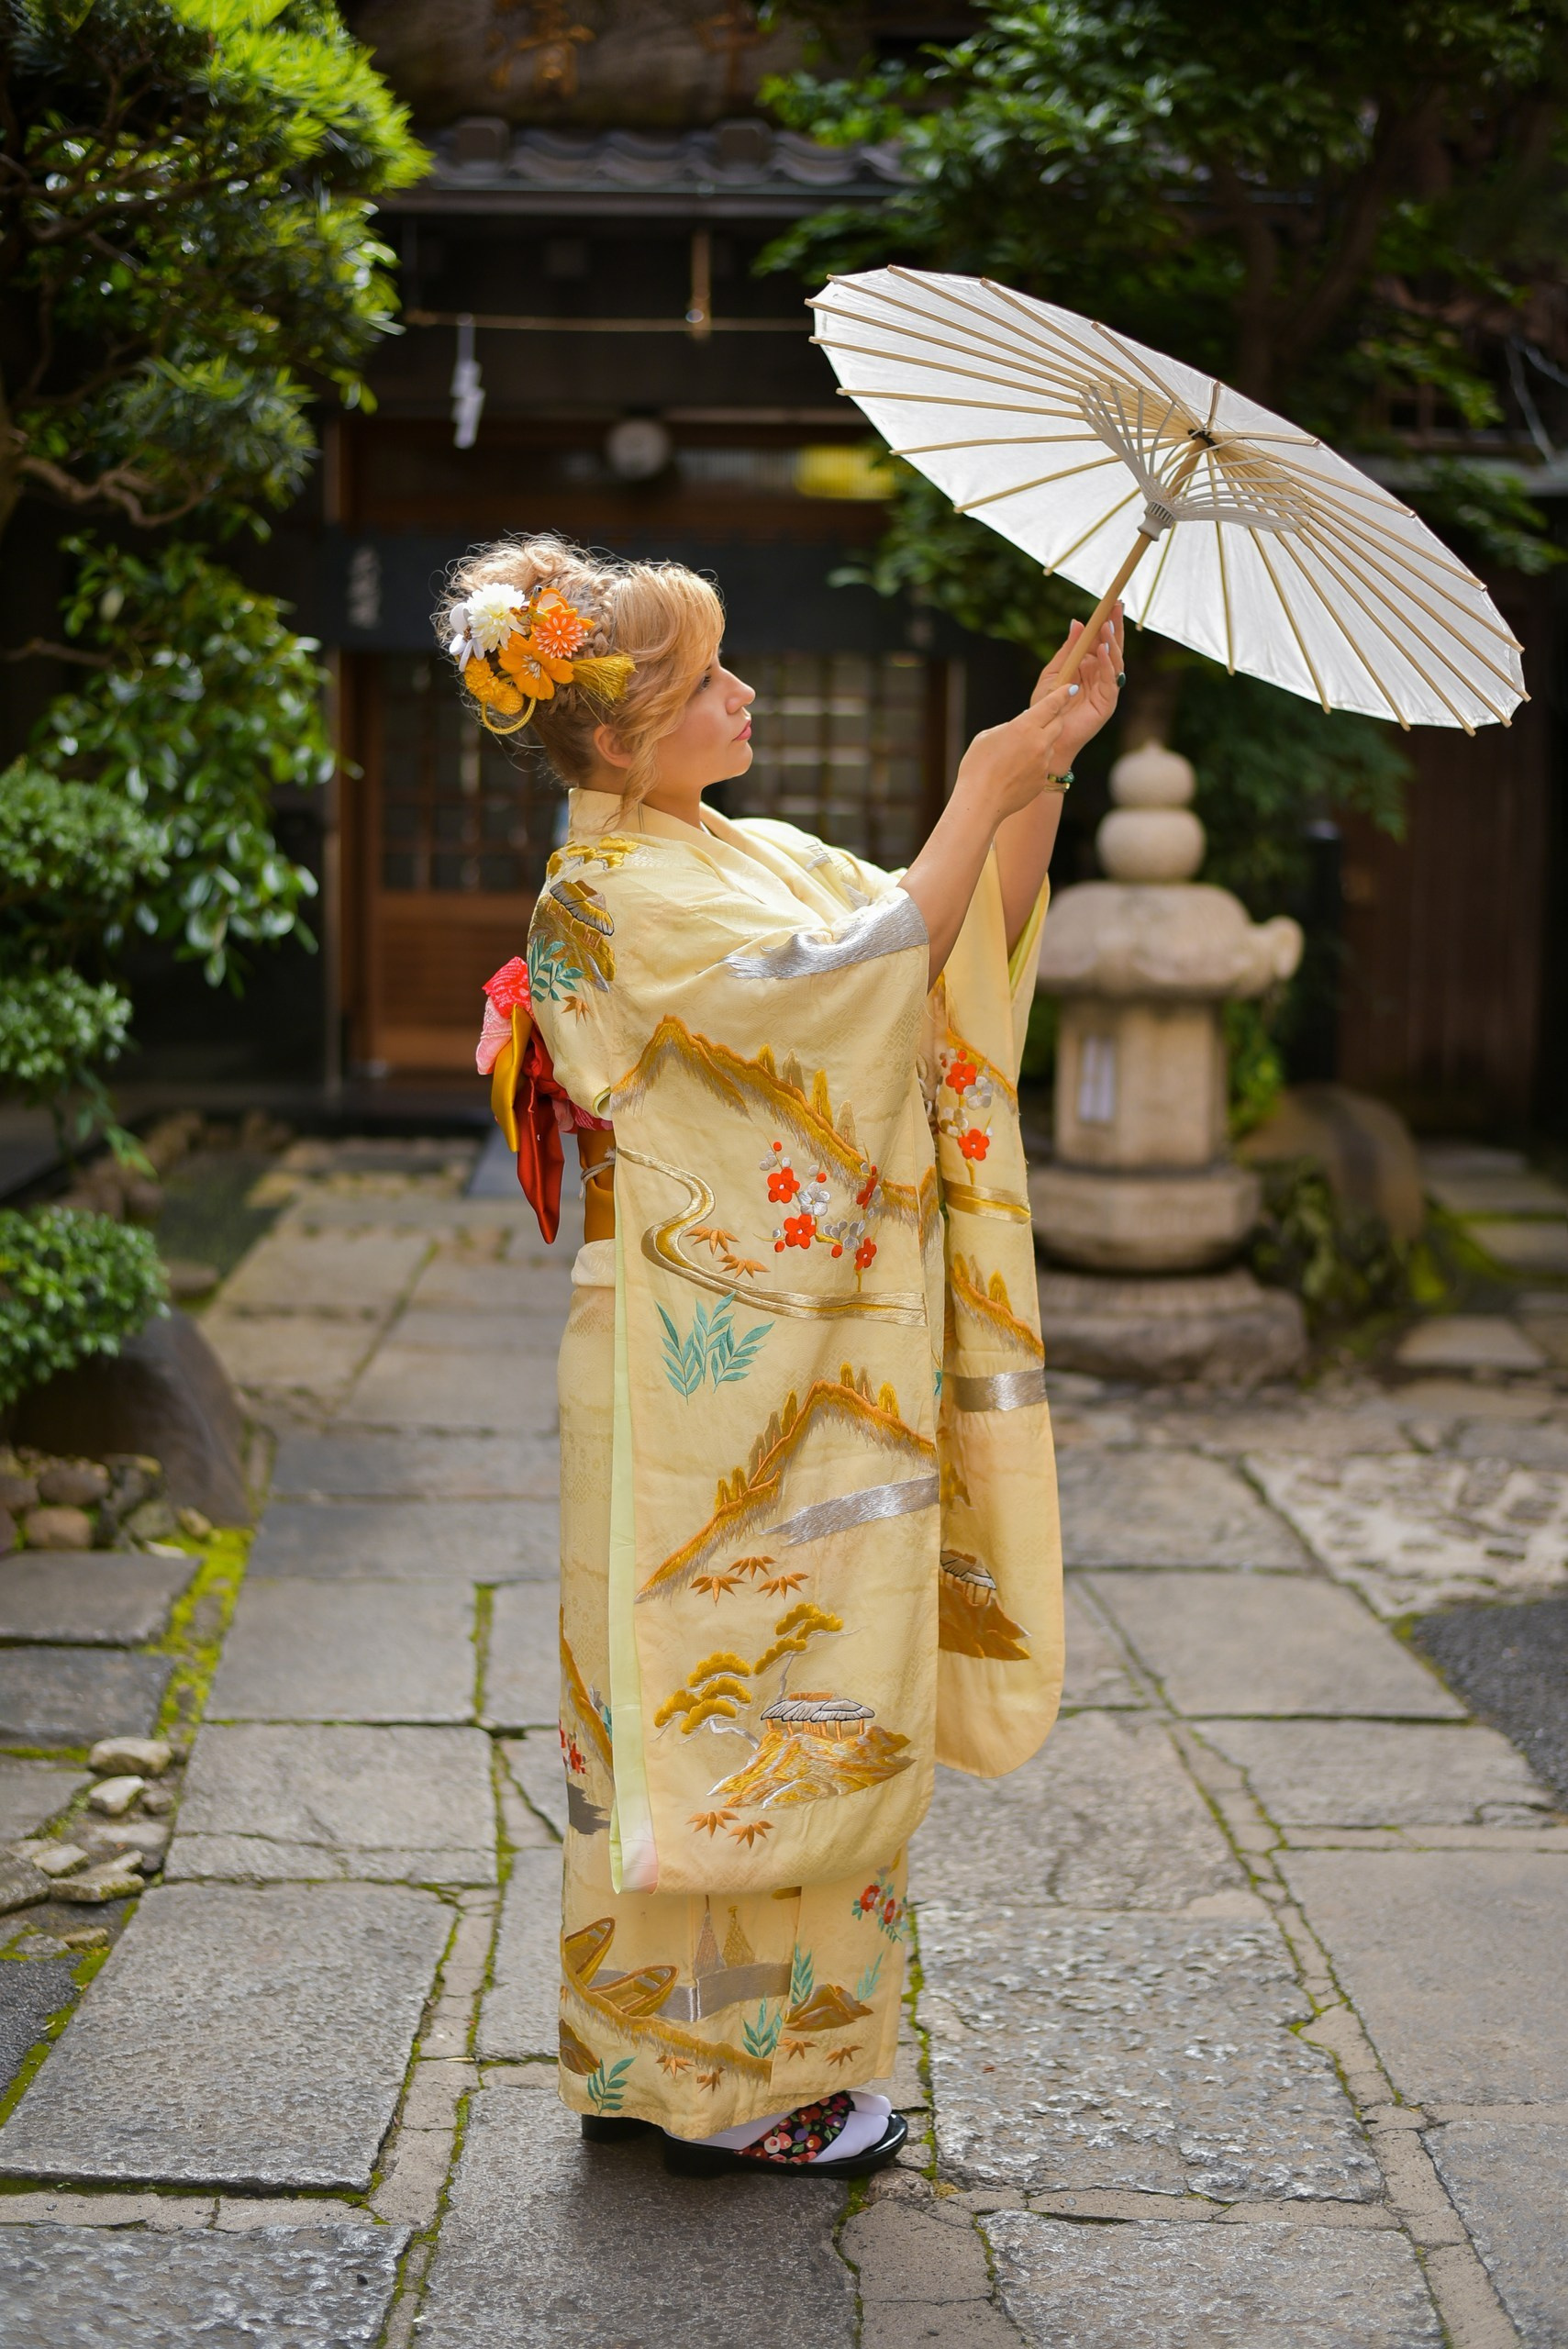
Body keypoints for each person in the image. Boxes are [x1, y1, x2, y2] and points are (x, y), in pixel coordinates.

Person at [450, 535, 1124, 2177]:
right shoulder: (600, 895)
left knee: (817, 1684)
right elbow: (846, 987)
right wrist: (979, 783)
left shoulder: (735, 851)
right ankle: (715, 2089)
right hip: (694, 1368)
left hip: (793, 1364)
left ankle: (690, 2066)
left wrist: (1039, 766)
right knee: (704, 1701)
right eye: (706, 684)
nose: (742, 695)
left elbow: (935, 953)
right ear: (620, 740)